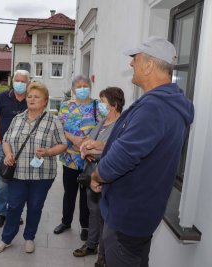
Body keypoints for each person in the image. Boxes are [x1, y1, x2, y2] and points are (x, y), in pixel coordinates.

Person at [91, 36, 194, 267]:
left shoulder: (154, 107)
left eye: (135, 59)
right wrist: (102, 147)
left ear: (148, 65)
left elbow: (124, 156)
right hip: (141, 213)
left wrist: (97, 175)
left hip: (128, 217)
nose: (131, 65)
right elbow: (140, 146)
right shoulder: (165, 103)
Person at [0, 82, 68, 254]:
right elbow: (6, 140)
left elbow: (63, 144)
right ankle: (6, 239)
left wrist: (49, 151)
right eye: (29, 96)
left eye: (36, 97)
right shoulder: (17, 119)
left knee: (35, 207)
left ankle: (29, 237)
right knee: (13, 207)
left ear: (45, 101)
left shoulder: (53, 121)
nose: (32, 99)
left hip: (42, 175)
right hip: (18, 173)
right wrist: (8, 154)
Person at [72, 87, 125, 267]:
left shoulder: (122, 125)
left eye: (103, 101)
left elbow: (115, 149)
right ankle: (91, 245)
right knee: (93, 212)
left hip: (106, 177)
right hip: (91, 174)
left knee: (105, 217)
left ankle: (103, 255)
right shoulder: (102, 121)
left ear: (114, 104)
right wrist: (86, 150)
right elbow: (88, 141)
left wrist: (93, 150)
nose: (100, 105)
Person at [54, 75, 101, 241]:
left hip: (89, 158)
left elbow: (103, 129)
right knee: (69, 192)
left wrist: (86, 144)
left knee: (86, 194)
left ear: (89, 87)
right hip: (70, 158)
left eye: (85, 85)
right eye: (79, 86)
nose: (82, 88)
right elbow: (59, 127)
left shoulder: (97, 106)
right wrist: (74, 140)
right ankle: (66, 222)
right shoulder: (66, 106)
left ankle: (85, 226)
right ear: (73, 90)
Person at [0, 69, 29, 228]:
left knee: (19, 183)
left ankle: (15, 212)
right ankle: (1, 213)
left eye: (23, 81)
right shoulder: (2, 97)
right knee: (2, 182)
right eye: (17, 80)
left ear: (28, 83)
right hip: (3, 147)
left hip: (24, 149)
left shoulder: (31, 99)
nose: (19, 83)